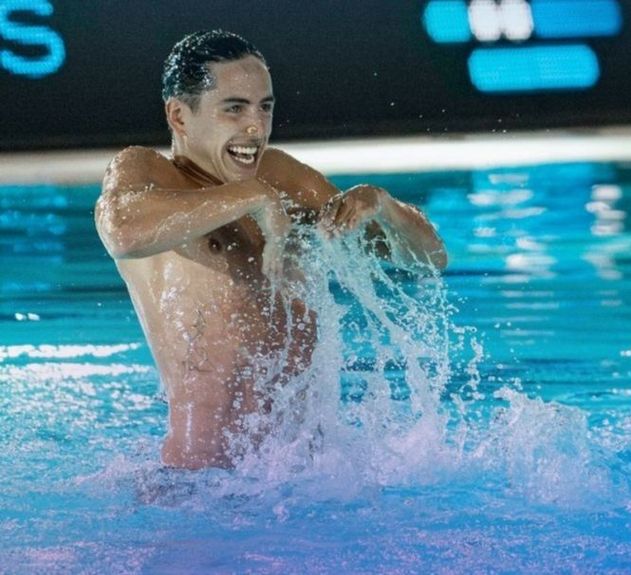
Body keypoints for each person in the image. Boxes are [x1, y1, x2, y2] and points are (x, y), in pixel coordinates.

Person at [94, 30, 447, 470]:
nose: (256, 128)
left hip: (306, 480)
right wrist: (251, 197)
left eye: (265, 106)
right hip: (201, 488)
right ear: (180, 116)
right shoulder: (150, 172)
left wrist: (384, 205)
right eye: (235, 108)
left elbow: (429, 258)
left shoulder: (283, 177)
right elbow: (121, 230)